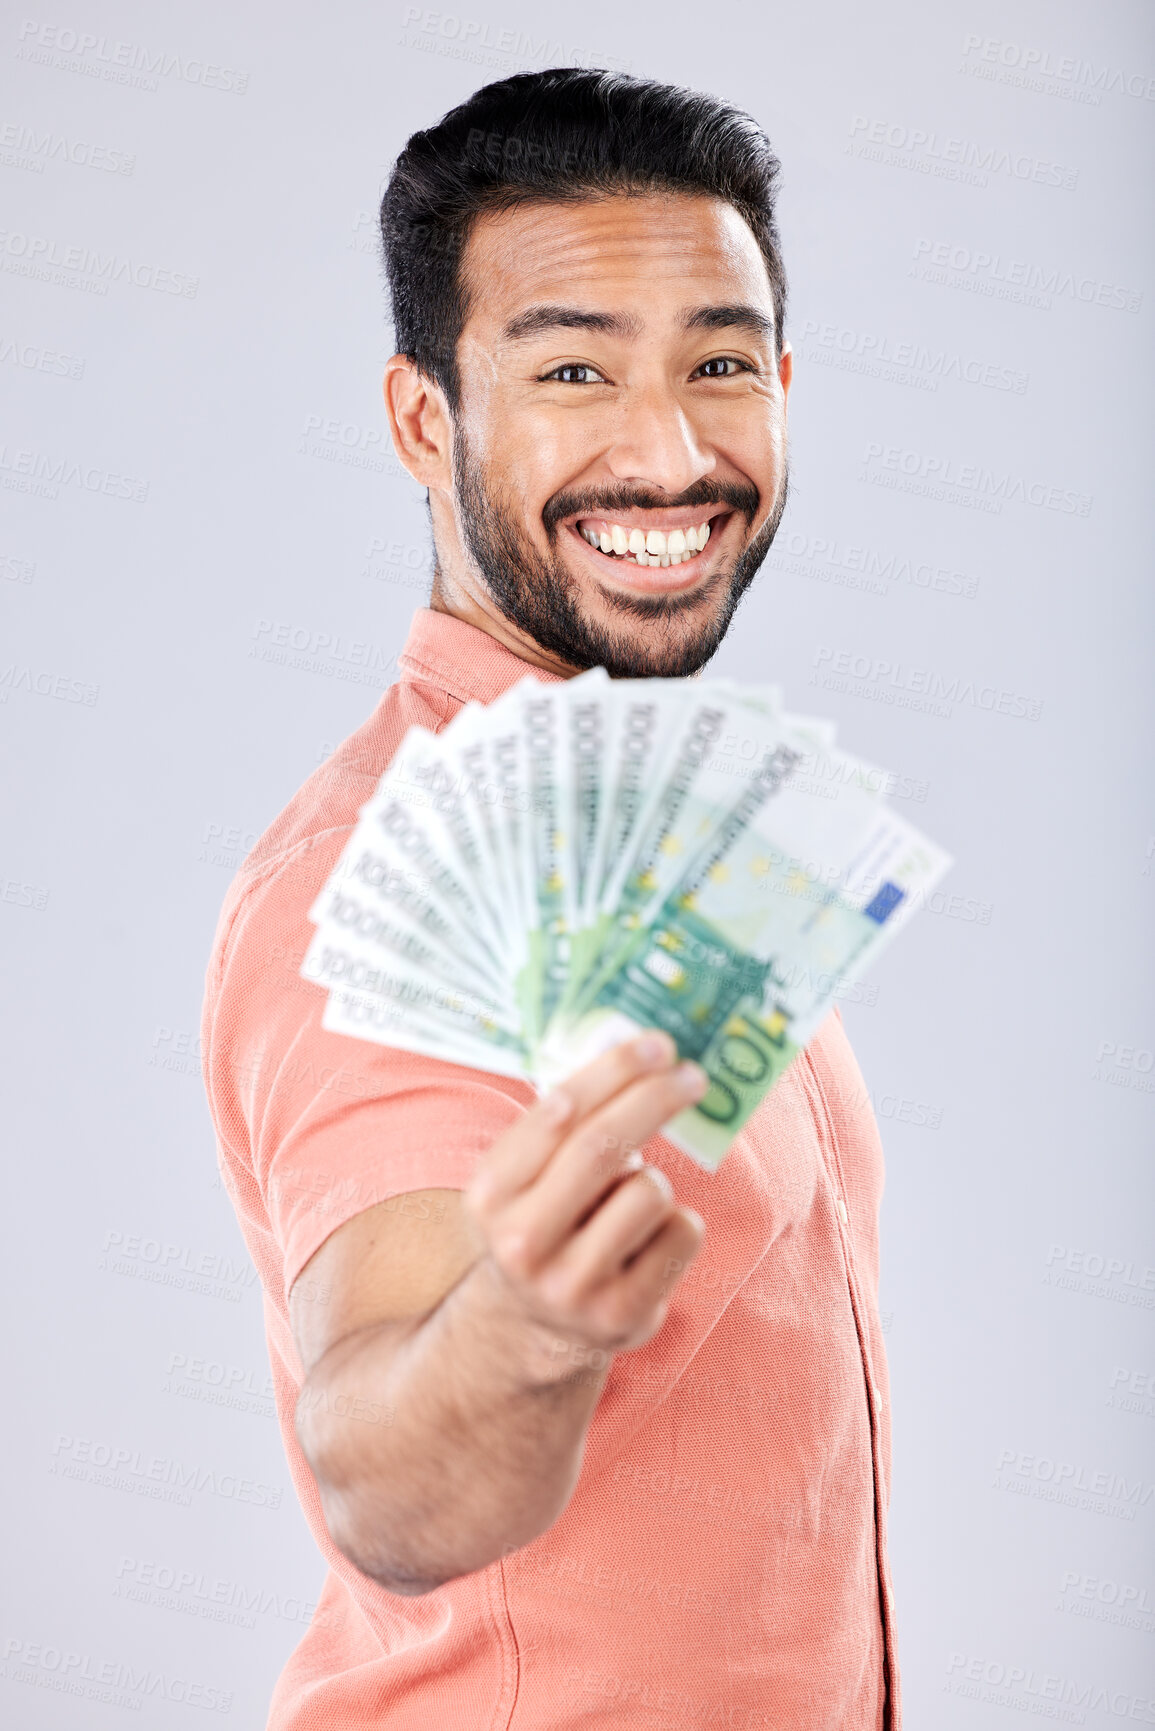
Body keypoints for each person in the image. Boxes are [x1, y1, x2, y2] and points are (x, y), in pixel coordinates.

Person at [202, 67, 900, 1729]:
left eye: (718, 364)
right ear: (427, 421)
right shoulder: (381, 885)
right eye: (574, 369)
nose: (667, 451)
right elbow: (387, 1479)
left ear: (786, 386)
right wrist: (514, 1329)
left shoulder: (679, 815)